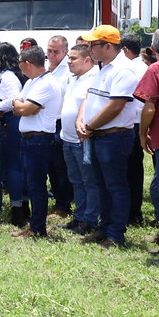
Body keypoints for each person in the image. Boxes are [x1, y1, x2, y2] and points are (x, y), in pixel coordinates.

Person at [76, 25, 140, 248]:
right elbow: (89, 97)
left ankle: (115, 234)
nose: (89, 48)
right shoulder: (104, 68)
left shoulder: (123, 70)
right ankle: (105, 229)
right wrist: (81, 121)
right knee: (102, 185)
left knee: (115, 186)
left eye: (93, 44)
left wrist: (90, 125)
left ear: (108, 46)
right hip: (99, 136)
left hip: (113, 137)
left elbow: (116, 106)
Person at [9, 45, 62, 239]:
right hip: (30, 140)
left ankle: (38, 228)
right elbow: (18, 105)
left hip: (39, 140)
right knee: (32, 184)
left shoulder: (45, 83)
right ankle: (35, 225)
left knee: (37, 186)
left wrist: (22, 105)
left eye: (20, 63)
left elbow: (23, 109)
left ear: (28, 63)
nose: (19, 66)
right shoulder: (32, 82)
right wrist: (20, 104)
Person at [59, 44, 100, 235]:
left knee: (89, 181)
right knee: (76, 180)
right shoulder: (73, 78)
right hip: (67, 139)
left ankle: (90, 220)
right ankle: (80, 217)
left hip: (82, 140)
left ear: (87, 60)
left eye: (73, 58)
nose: (68, 61)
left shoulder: (94, 79)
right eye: (68, 57)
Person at [0, 42, 29, 225]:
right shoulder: (19, 73)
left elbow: (14, 99)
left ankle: (17, 208)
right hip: (18, 121)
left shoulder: (7, 76)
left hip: (13, 122)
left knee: (14, 166)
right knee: (21, 165)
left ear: (0, 59)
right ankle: (24, 204)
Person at [134, 30, 159, 264]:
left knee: (158, 190)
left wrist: (143, 133)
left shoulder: (155, 69)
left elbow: (149, 106)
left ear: (153, 48)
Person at [120, 34, 149, 225]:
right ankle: (133, 212)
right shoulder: (143, 67)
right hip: (138, 122)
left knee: (130, 170)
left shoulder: (129, 69)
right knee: (134, 169)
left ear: (125, 51)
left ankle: (132, 213)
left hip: (134, 123)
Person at [45, 35, 74, 217]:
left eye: (56, 51)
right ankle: (58, 198)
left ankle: (63, 204)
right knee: (50, 166)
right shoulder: (46, 68)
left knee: (60, 166)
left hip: (60, 122)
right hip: (46, 123)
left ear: (65, 52)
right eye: (49, 50)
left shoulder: (68, 71)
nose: (52, 54)